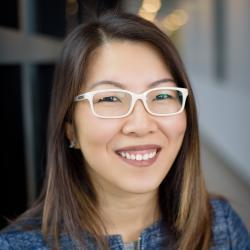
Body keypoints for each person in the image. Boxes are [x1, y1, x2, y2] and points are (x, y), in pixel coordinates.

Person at [0, 12, 249, 250]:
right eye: (109, 99)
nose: (141, 125)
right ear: (70, 128)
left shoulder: (221, 227)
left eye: (161, 95)